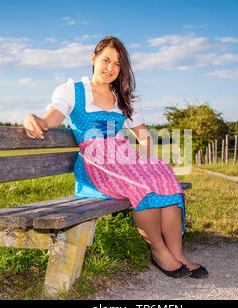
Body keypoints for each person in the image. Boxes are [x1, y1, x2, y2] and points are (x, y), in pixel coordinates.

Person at [23, 36, 207, 279]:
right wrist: (32, 117)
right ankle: (159, 251)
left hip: (123, 157)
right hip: (96, 164)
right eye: (106, 60)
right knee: (144, 187)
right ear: (94, 59)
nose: (110, 68)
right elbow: (50, 120)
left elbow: (144, 136)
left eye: (117, 64)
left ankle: (178, 254)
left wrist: (146, 162)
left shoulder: (124, 96)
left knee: (165, 178)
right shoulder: (74, 91)